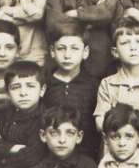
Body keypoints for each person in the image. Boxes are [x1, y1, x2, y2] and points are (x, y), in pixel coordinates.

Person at [94, 21, 139, 157]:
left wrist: (115, 115)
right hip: (111, 156)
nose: (133, 48)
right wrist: (136, 116)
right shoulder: (107, 83)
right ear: (115, 52)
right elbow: (99, 123)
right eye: (125, 43)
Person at [43, 25, 101, 157]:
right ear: (52, 51)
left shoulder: (94, 85)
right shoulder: (44, 84)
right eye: (61, 48)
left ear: (85, 52)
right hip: (51, 153)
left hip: (86, 155)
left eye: (74, 49)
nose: (67, 55)